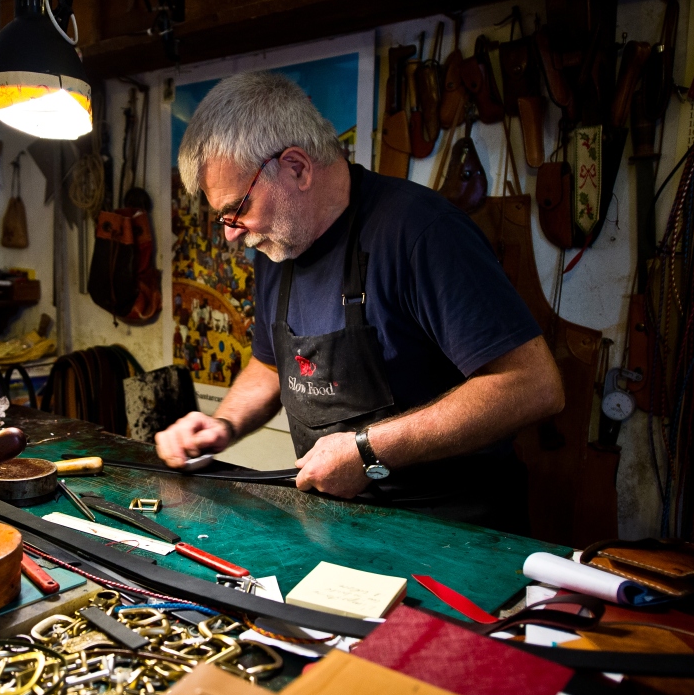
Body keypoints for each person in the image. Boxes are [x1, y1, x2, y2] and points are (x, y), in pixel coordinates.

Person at [155, 71, 564, 530]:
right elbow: (272, 365)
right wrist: (223, 425)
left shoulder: (420, 233)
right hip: (338, 523)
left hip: (453, 528)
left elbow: (533, 384)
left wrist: (368, 449)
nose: (231, 232)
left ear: (297, 168)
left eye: (238, 208)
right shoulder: (277, 245)